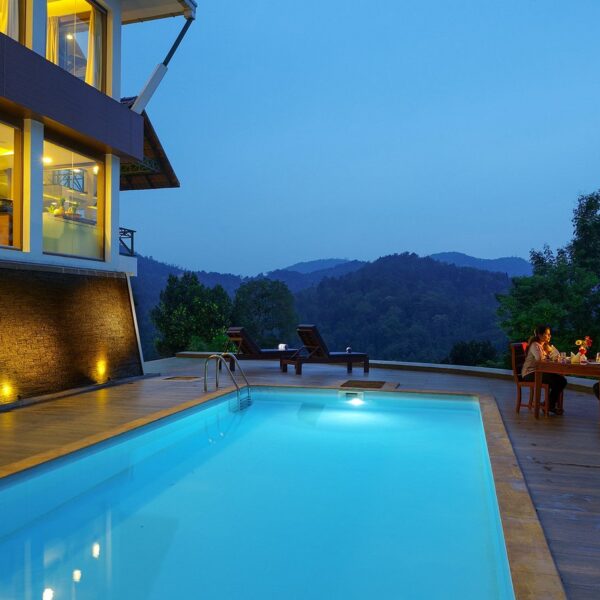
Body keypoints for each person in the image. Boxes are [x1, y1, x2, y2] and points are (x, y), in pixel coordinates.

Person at [521, 324, 567, 415]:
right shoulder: (535, 345)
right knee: (559, 381)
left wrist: (551, 353)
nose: (549, 336)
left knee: (561, 380)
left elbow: (555, 355)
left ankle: (548, 404)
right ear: (540, 335)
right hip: (530, 373)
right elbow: (539, 359)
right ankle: (549, 405)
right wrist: (549, 355)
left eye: (550, 334)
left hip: (539, 372)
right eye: (547, 334)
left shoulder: (544, 345)